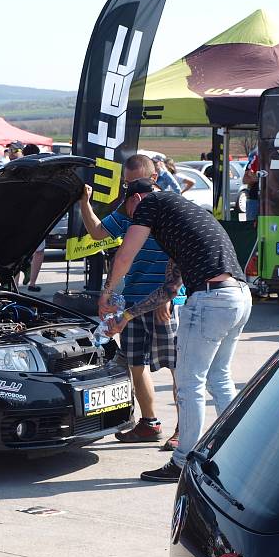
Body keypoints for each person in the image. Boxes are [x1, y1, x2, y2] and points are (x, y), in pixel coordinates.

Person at [100, 159, 251, 482]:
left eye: (129, 212)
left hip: (210, 298)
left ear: (135, 199)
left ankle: (182, 460)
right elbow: (170, 287)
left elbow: (124, 254)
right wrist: (126, 315)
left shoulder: (149, 204)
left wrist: (107, 293)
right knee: (218, 379)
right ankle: (237, 450)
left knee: (189, 383)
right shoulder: (182, 214)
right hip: (238, 296)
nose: (131, 219)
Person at [80, 155, 184, 447]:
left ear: (153, 179)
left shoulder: (168, 207)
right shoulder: (128, 210)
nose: (131, 189)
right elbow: (98, 232)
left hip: (165, 301)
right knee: (136, 364)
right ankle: (149, 423)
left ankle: (184, 430)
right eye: (127, 183)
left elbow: (183, 257)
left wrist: (170, 295)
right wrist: (84, 203)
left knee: (178, 367)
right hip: (133, 304)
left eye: (136, 182)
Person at [24, 143, 46, 292]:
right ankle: (32, 282)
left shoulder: (18, 168)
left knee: (17, 252)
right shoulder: (44, 170)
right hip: (37, 216)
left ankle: (14, 285)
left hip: (20, 215)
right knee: (39, 251)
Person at [242, 149, 260, 221]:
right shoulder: (254, 160)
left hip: (271, 199)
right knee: (251, 224)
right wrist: (257, 178)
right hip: (254, 198)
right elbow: (245, 180)